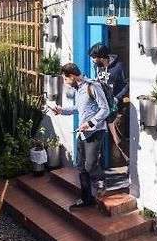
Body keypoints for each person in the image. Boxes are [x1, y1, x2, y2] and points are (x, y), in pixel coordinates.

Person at [53, 63, 109, 210]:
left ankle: (101, 178)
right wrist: (62, 111)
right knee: (80, 167)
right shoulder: (78, 90)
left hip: (95, 131)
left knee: (90, 165)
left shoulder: (93, 86)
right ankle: (86, 198)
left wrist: (90, 123)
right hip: (82, 133)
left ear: (71, 76)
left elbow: (105, 109)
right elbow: (78, 108)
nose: (65, 83)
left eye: (65, 79)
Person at [88, 42, 129, 163]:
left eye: (94, 57)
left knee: (118, 140)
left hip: (115, 109)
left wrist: (118, 98)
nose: (93, 60)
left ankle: (129, 164)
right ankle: (97, 168)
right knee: (97, 139)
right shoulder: (97, 67)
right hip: (100, 108)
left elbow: (128, 84)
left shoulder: (119, 67)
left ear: (101, 57)